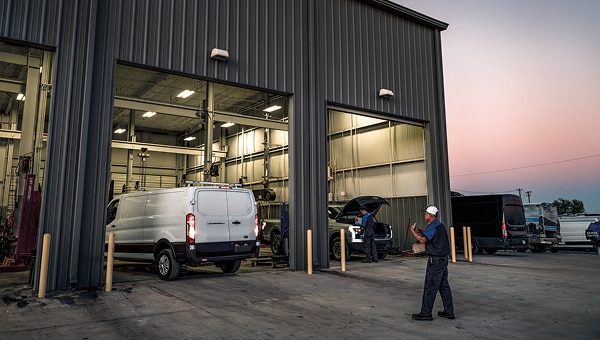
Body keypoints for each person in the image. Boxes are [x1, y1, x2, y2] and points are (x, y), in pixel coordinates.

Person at [409, 205, 455, 321]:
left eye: (425, 214)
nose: (424, 215)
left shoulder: (433, 226)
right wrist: (421, 231)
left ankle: (426, 313)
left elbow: (422, 240)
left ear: (430, 215)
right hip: (443, 259)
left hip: (435, 260)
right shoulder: (438, 225)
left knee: (430, 285)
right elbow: (431, 236)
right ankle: (449, 311)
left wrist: (413, 232)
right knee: (443, 285)